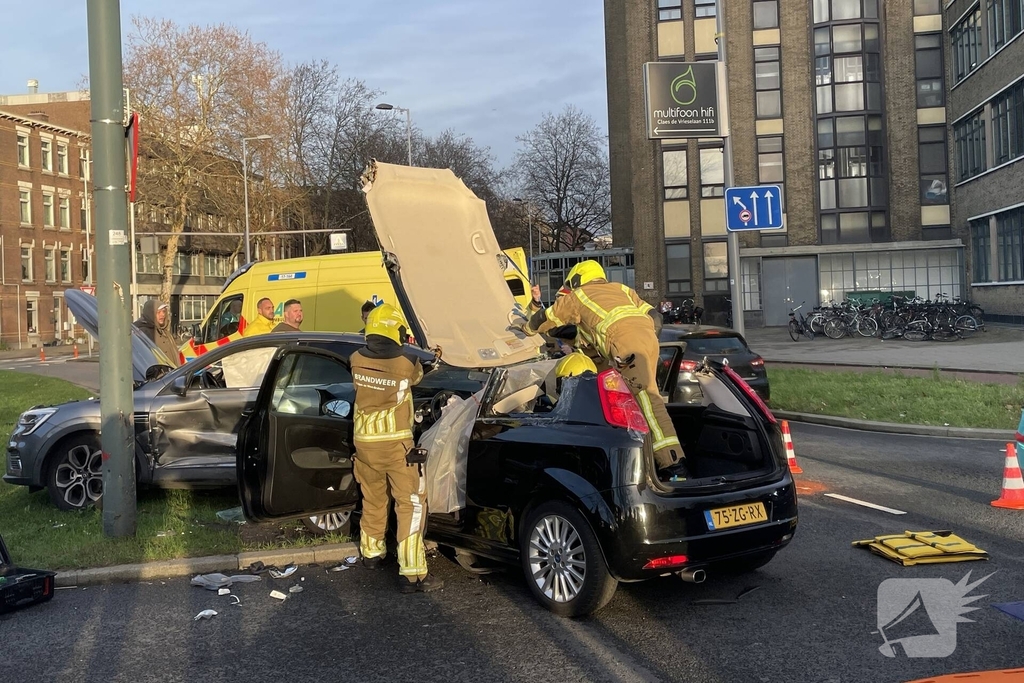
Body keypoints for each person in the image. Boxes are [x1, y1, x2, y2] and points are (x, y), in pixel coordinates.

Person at [521, 260, 687, 480]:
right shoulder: (622, 290)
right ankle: (646, 460)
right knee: (636, 400)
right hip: (646, 338)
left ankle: (674, 465)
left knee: (648, 399)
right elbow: (655, 317)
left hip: (625, 343)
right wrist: (641, 337)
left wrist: (526, 327)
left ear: (577, 280)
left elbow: (547, 320)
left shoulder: (579, 297)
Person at [350, 304, 442, 593]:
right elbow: (416, 376)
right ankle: (413, 573)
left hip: (364, 444)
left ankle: (372, 553)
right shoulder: (405, 363)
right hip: (395, 445)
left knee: (373, 498)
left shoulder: (355, 359)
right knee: (411, 504)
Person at [134, 299, 180, 367]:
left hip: (172, 374)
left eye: (164, 311)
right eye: (158, 312)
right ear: (151, 313)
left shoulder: (164, 332)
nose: (162, 315)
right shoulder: (143, 333)